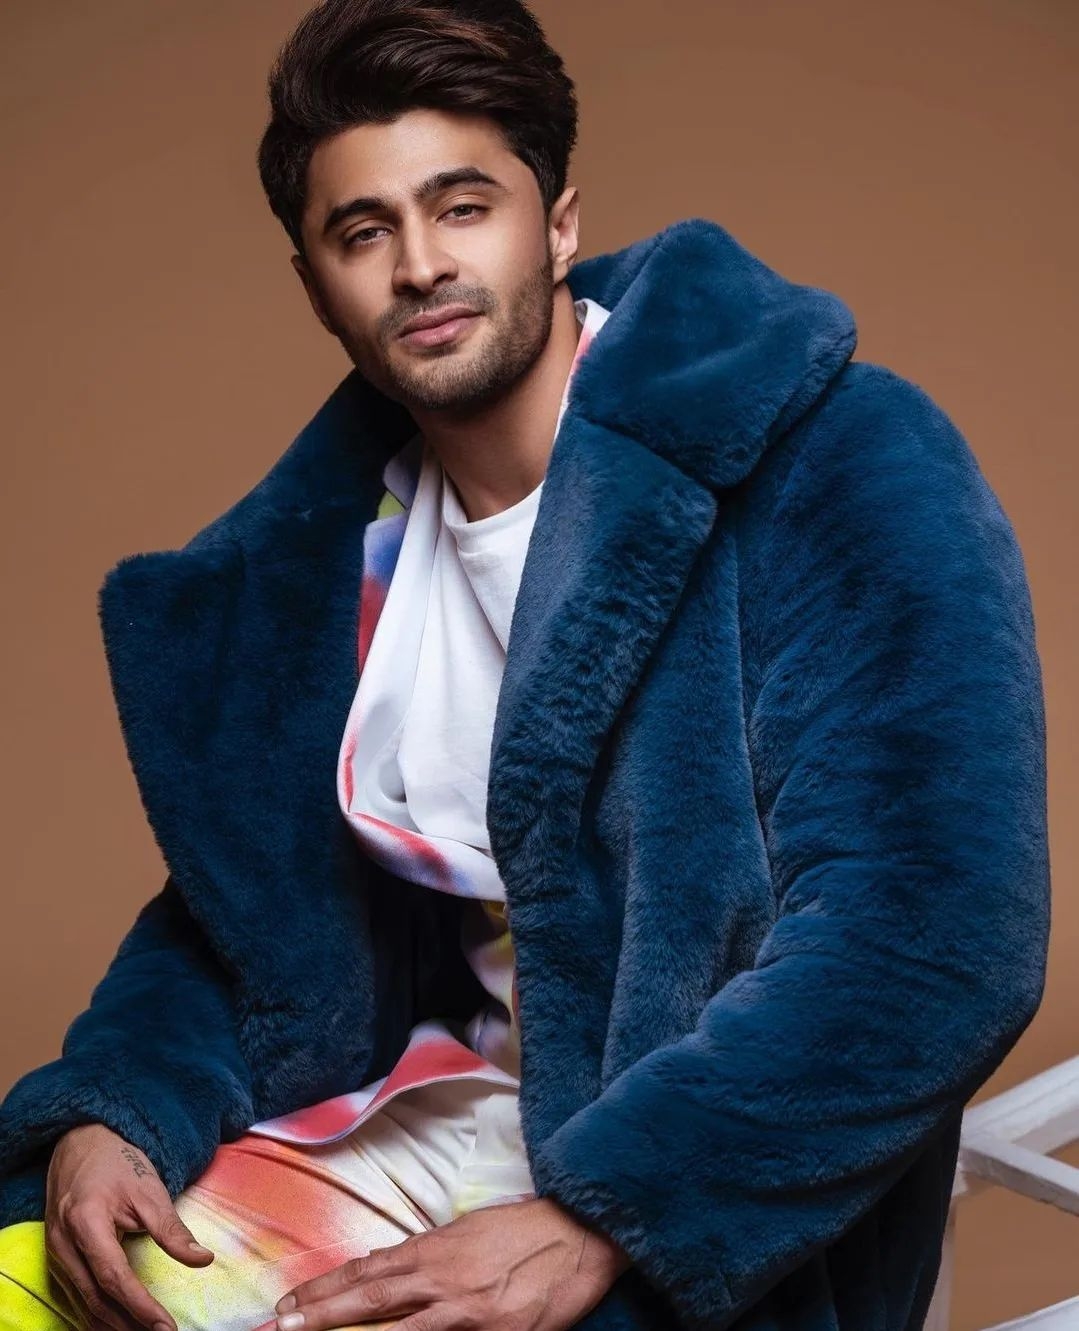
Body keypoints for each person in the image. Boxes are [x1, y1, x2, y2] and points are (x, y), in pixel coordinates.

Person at [0, 0, 1051, 1329]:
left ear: (555, 224)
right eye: (363, 232)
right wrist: (117, 1107)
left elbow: (933, 937)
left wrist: (612, 1211)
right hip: (404, 1124)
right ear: (315, 285)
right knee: (31, 1283)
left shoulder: (835, 460)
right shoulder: (326, 566)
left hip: (671, 1180)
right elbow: (242, 924)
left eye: (463, 206)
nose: (420, 265)